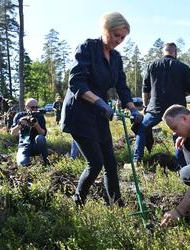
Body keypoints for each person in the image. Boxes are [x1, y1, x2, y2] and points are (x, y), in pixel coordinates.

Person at [60, 12, 143, 207]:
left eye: (123, 37)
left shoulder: (115, 57)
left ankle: (116, 203)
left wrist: (133, 109)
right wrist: (99, 102)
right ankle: (78, 201)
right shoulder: (88, 48)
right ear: (106, 30)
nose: (119, 41)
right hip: (79, 112)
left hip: (99, 114)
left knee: (110, 163)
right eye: (116, 35)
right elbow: (76, 82)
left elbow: (122, 86)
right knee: (95, 163)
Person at [133, 42, 190, 166]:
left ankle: (137, 161)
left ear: (164, 51)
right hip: (176, 109)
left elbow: (145, 89)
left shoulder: (151, 65)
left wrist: (145, 106)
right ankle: (180, 165)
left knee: (142, 129)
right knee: (178, 133)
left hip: (155, 107)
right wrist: (179, 94)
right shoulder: (183, 67)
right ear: (175, 52)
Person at [10, 98, 49, 166]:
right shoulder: (19, 115)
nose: (34, 109)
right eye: (32, 107)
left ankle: (45, 159)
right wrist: (19, 125)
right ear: (26, 107)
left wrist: (36, 125)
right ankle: (27, 161)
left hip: (36, 145)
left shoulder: (39, 116)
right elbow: (12, 133)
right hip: (24, 145)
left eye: (36, 107)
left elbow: (43, 134)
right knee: (22, 164)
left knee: (40, 138)